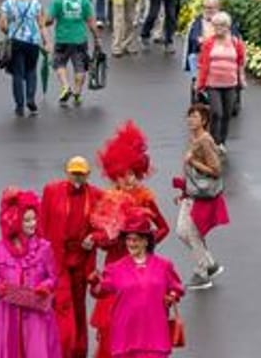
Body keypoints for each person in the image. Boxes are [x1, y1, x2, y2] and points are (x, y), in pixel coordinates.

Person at [88, 121, 170, 358]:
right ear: (115, 176)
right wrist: (109, 240)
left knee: (138, 316)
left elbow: (163, 227)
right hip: (115, 263)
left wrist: (147, 244)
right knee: (110, 317)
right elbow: (102, 238)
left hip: (140, 267)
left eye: (133, 174)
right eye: (124, 175)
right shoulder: (108, 200)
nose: (129, 180)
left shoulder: (145, 199)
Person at [91, 207, 184, 358]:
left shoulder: (163, 266)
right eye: (128, 239)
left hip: (155, 335)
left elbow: (176, 287)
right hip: (126, 336)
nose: (131, 243)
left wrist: (172, 296)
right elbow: (100, 291)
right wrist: (94, 283)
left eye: (135, 240)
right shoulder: (115, 269)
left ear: (145, 241)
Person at [0, 189, 62, 358]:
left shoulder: (44, 248)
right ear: (14, 221)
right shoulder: (0, 249)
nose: (32, 223)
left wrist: (44, 287)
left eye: (34, 219)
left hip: (36, 313)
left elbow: (53, 278)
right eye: (27, 220)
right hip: (7, 312)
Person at [39, 157, 102, 358]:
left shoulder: (96, 195)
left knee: (78, 306)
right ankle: (61, 349)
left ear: (88, 174)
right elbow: (41, 223)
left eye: (81, 173)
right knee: (61, 306)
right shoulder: (52, 191)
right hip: (58, 259)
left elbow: (105, 228)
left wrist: (94, 237)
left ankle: (79, 350)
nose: (77, 176)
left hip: (82, 261)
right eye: (74, 172)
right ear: (67, 172)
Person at [173, 104, 228, 290]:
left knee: (192, 233)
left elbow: (216, 170)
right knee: (181, 232)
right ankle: (210, 264)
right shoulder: (194, 138)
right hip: (190, 192)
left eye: (195, 117)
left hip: (201, 195)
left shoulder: (205, 140)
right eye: (189, 116)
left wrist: (194, 161)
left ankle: (202, 273)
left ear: (203, 120)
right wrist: (182, 191)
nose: (190, 120)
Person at [46, 0, 99, 107]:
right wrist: (97, 37)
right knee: (80, 67)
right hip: (80, 38)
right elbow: (91, 20)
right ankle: (77, 93)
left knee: (59, 63)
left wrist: (43, 24)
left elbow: (49, 20)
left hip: (62, 38)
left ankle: (65, 86)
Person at [195, 13, 245, 150]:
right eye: (216, 25)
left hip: (231, 83)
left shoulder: (235, 42)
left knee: (227, 114)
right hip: (213, 83)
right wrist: (199, 83)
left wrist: (242, 78)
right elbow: (202, 64)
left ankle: (222, 141)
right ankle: (213, 141)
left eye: (222, 25)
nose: (219, 28)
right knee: (217, 112)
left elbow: (240, 62)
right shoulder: (209, 43)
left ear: (228, 27)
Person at [0, 0, 45, 117]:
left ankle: (19, 105)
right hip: (33, 41)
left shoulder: (7, 4)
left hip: (16, 41)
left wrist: (9, 31)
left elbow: (3, 25)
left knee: (18, 73)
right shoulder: (36, 3)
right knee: (31, 70)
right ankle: (30, 98)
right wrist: (46, 41)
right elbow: (41, 25)